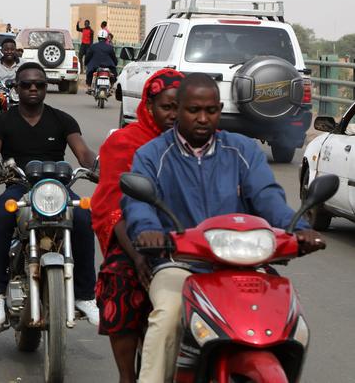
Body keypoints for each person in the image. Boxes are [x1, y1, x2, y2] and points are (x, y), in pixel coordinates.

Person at [123, 73, 327, 382]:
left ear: (220, 109)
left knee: (293, 325)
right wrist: (148, 231)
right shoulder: (152, 156)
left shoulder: (243, 150)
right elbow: (138, 204)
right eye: (193, 110)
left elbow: (267, 197)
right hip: (180, 264)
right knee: (167, 318)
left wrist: (294, 227)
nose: (203, 118)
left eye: (211, 110)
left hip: (245, 267)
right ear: (177, 110)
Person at [0, 62, 100, 325]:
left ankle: (85, 295)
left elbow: (83, 152)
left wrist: (97, 167)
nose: (33, 88)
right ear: (16, 88)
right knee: (2, 215)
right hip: (20, 184)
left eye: (39, 84)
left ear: (46, 88)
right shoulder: (3, 121)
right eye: (26, 84)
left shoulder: (62, 119)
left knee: (83, 217)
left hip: (57, 187)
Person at [91, 69, 183, 383]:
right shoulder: (124, 142)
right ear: (148, 105)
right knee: (121, 280)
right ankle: (127, 376)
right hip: (134, 238)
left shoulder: (201, 142)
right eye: (166, 107)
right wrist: (139, 257)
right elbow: (113, 207)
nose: (174, 115)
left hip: (191, 239)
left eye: (180, 107)